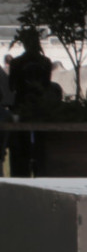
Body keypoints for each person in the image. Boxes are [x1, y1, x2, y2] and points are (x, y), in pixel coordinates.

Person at [7, 29, 54, 176]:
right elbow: (47, 85)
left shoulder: (16, 63)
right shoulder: (45, 62)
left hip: (22, 108)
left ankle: (21, 174)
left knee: (20, 150)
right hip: (41, 108)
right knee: (40, 148)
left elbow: (11, 86)